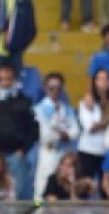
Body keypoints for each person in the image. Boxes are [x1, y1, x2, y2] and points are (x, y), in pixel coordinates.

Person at [0, 63, 39, 200]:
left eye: (8, 78)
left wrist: (23, 150)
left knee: (16, 193)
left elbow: (34, 129)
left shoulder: (25, 102)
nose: (5, 82)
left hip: (16, 154)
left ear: (14, 79)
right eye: (2, 79)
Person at [33, 72, 80, 200]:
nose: (55, 91)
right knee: (43, 185)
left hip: (64, 155)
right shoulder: (38, 109)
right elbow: (45, 135)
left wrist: (58, 133)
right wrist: (64, 134)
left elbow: (75, 132)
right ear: (45, 88)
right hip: (48, 153)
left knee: (65, 184)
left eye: (58, 88)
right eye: (51, 88)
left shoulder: (67, 109)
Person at [77, 69, 109, 186]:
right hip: (88, 151)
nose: (103, 82)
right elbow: (91, 128)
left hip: (108, 152)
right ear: (94, 82)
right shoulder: (86, 103)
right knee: (84, 188)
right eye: (100, 79)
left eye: (106, 79)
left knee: (107, 189)